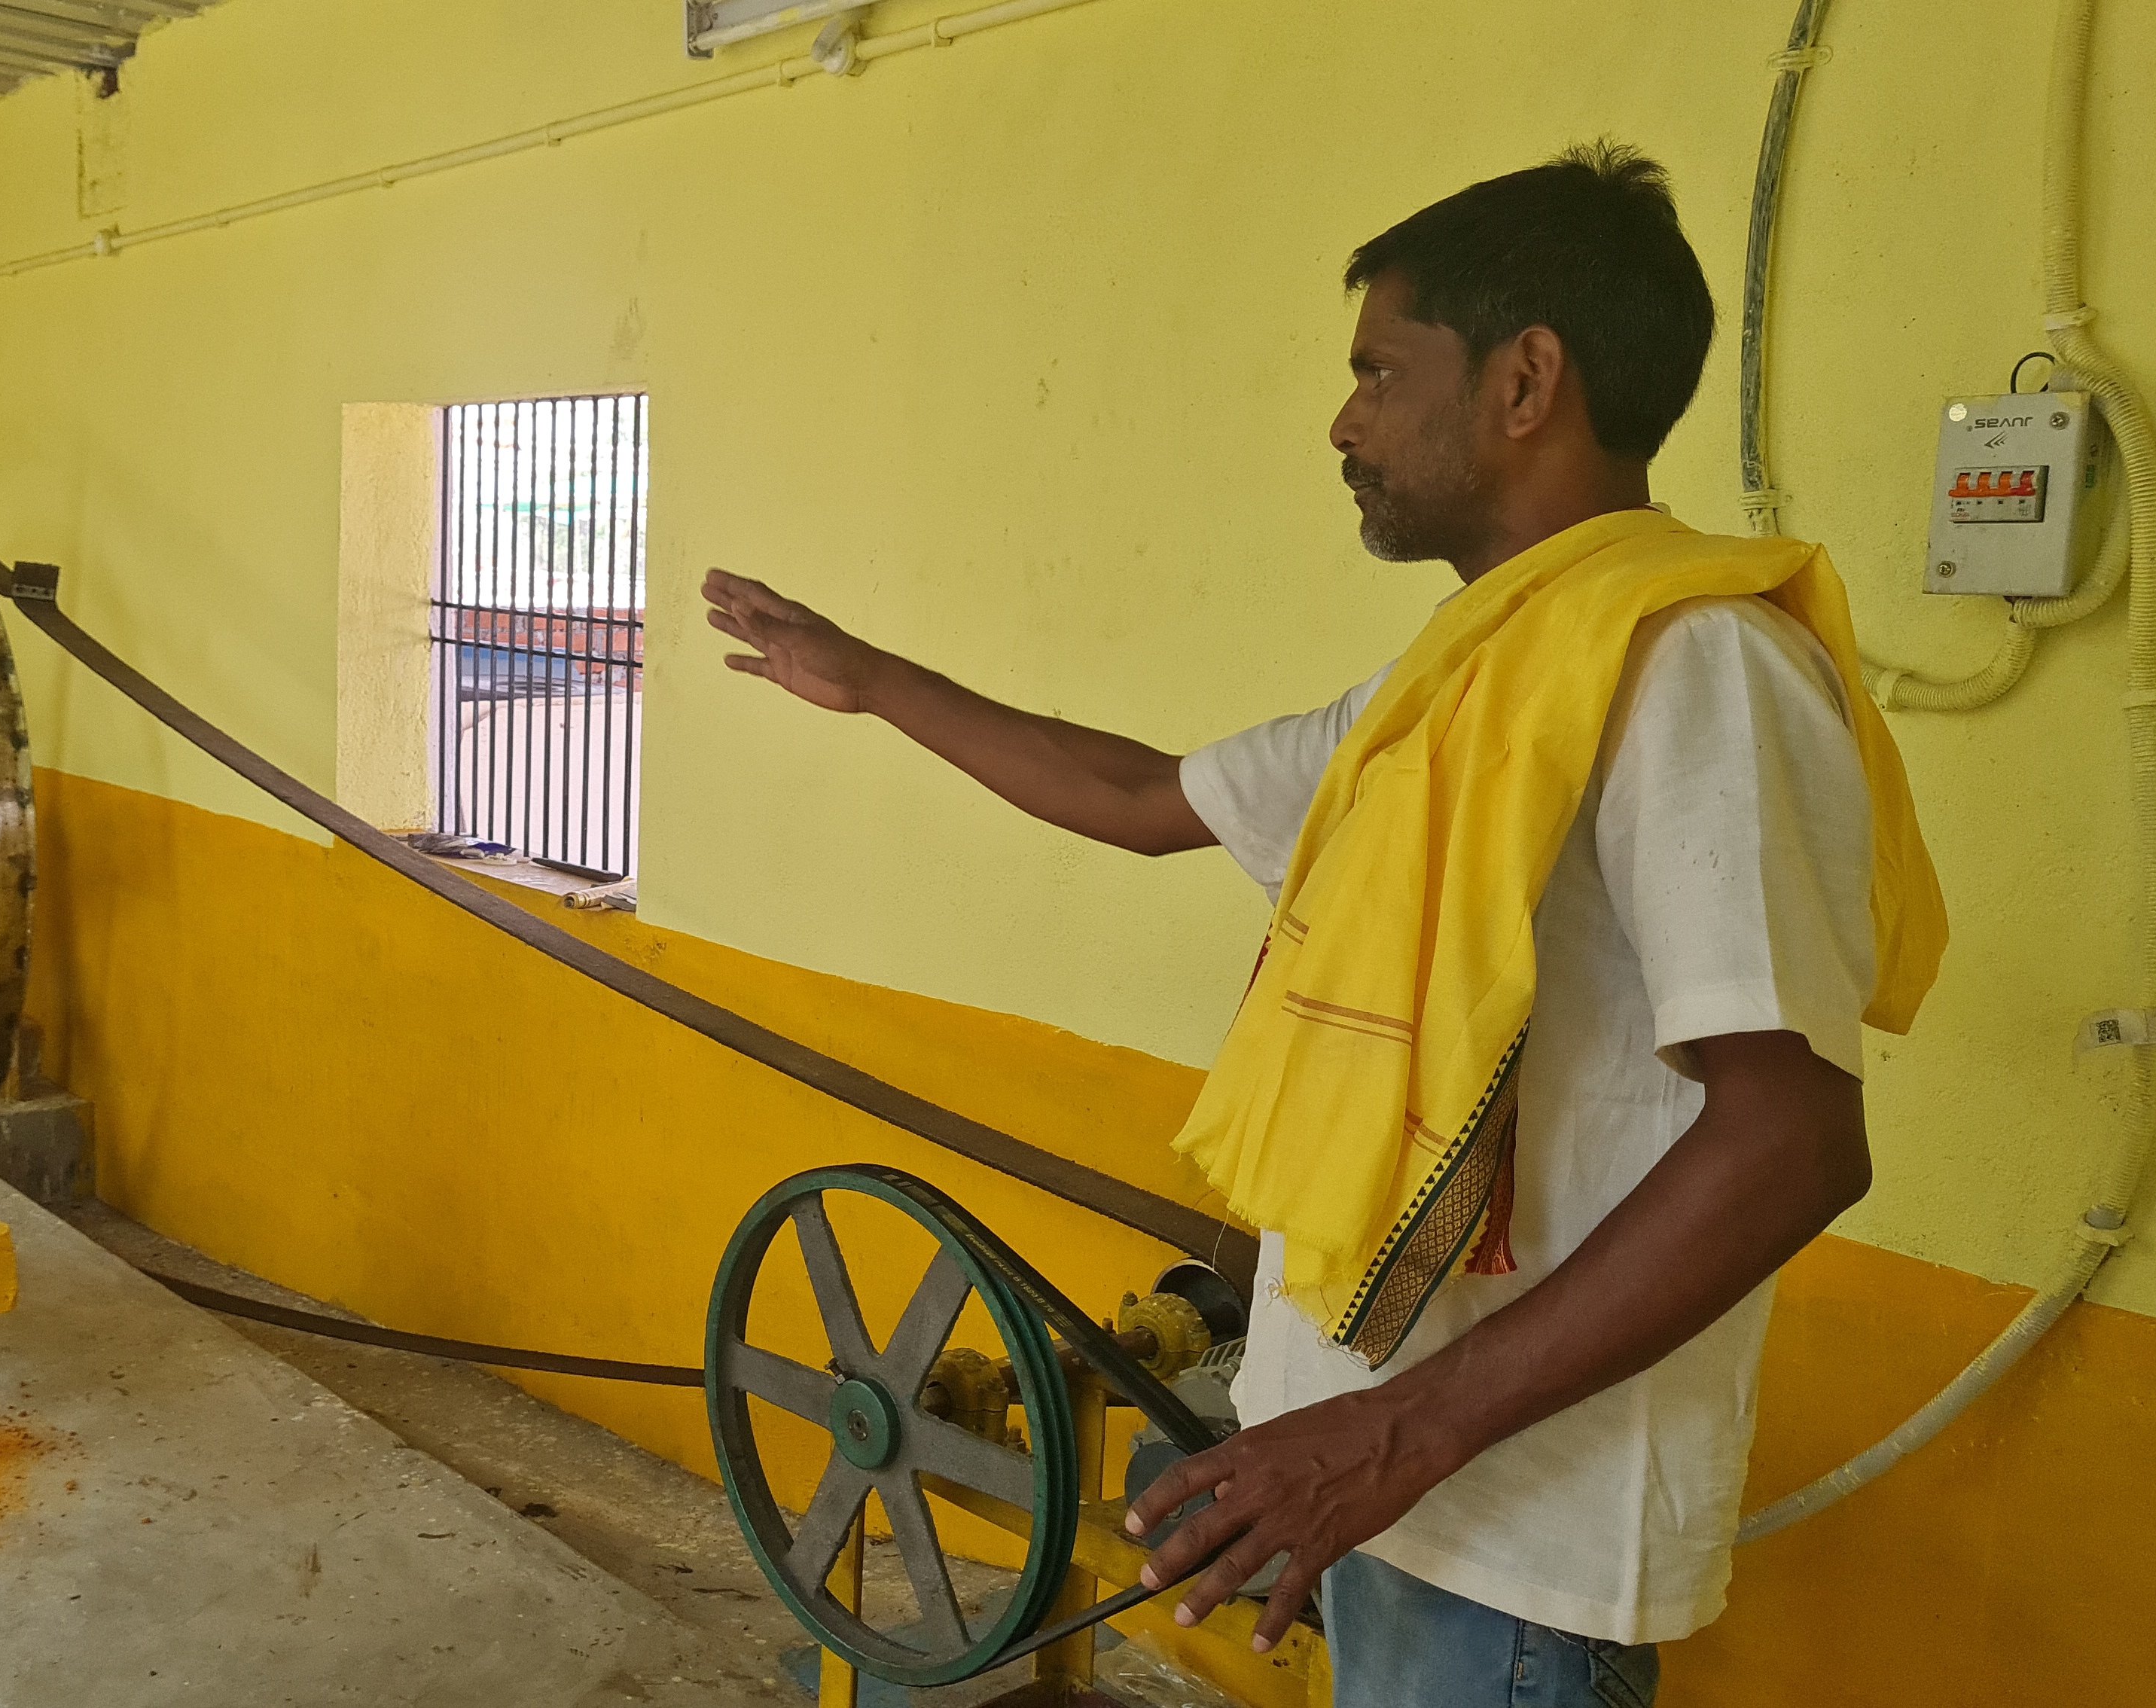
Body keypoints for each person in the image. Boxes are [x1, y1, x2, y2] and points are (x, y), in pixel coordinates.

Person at [703, 143, 1942, 1706]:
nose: (1344, 423)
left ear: (1525, 379)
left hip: (1508, 1542)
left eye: (1378, 370)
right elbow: (1148, 795)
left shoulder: (1686, 670)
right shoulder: (1461, 684)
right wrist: (872, 682)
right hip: (1389, 1498)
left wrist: (1388, 1435)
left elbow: (1792, 1142)